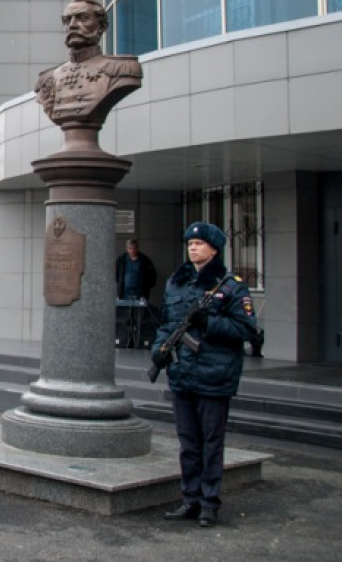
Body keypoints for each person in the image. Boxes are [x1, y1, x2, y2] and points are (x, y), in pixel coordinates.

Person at [154, 222, 256, 528]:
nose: (193, 248)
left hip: (214, 376)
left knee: (212, 443)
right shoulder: (177, 282)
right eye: (190, 243)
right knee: (188, 442)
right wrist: (159, 349)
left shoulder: (231, 286)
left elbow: (248, 331)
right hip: (182, 374)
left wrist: (209, 322)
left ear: (214, 248)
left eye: (199, 243)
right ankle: (190, 499)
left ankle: (209, 502)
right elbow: (166, 324)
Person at [115, 239, 157, 349]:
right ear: (126, 249)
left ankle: (138, 339)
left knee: (140, 318)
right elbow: (116, 275)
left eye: (133, 248)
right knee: (125, 317)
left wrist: (147, 287)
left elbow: (152, 275)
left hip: (140, 293)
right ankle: (126, 339)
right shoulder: (122, 260)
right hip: (126, 293)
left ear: (137, 249)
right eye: (130, 248)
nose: (132, 251)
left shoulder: (144, 260)